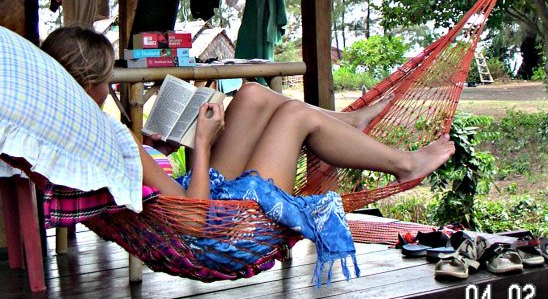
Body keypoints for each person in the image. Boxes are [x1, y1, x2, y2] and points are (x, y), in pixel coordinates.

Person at [40, 26, 455, 203]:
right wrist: (202, 142)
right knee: (292, 115)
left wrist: (159, 145)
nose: (109, 84)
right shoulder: (114, 138)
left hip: (203, 186)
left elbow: (149, 178)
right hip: (218, 212)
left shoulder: (79, 127)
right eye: (106, 77)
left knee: (253, 94)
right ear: (90, 82)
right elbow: (195, 215)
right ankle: (404, 165)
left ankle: (348, 122)